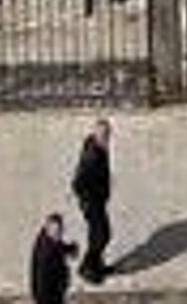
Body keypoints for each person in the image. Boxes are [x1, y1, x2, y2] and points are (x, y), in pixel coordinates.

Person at [72, 118, 113, 284]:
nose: (107, 138)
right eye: (103, 135)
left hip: (98, 200)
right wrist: (89, 200)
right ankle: (88, 268)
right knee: (101, 235)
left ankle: (96, 265)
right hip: (92, 203)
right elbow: (78, 184)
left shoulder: (96, 145)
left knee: (100, 235)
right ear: (96, 135)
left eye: (108, 134)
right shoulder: (92, 156)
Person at [30, 209, 78, 304]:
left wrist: (69, 249)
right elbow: (42, 281)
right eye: (55, 231)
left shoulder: (48, 239)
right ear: (48, 228)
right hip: (49, 296)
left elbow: (58, 246)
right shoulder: (46, 251)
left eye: (60, 231)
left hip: (53, 293)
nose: (58, 235)